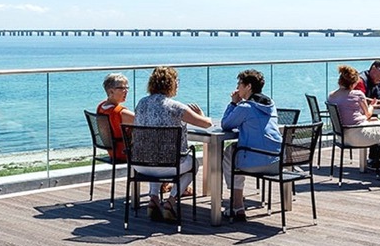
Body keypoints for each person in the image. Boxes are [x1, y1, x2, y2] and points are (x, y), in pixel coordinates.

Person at [133, 66, 212, 222]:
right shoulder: (175, 107)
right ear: (171, 83)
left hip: (140, 163)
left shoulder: (141, 103)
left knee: (153, 153)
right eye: (177, 81)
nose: (178, 85)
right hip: (169, 165)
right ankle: (171, 201)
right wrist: (201, 114)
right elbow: (206, 124)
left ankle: (154, 198)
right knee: (193, 164)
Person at [220, 69, 283, 222]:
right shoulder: (270, 104)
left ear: (248, 86)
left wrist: (233, 103)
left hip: (255, 162)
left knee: (230, 154)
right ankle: (237, 204)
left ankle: (237, 204)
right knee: (232, 151)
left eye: (239, 84)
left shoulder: (245, 107)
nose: (237, 88)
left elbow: (226, 125)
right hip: (277, 161)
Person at [354, 60, 380, 169]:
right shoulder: (361, 80)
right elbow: (360, 98)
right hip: (359, 120)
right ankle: (374, 159)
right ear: (373, 68)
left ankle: (375, 158)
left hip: (370, 116)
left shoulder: (378, 83)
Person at [95, 73, 135, 162]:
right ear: (111, 91)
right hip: (123, 152)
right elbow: (145, 121)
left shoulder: (100, 107)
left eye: (126, 88)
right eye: (121, 88)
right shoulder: (119, 112)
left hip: (112, 151)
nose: (126, 91)